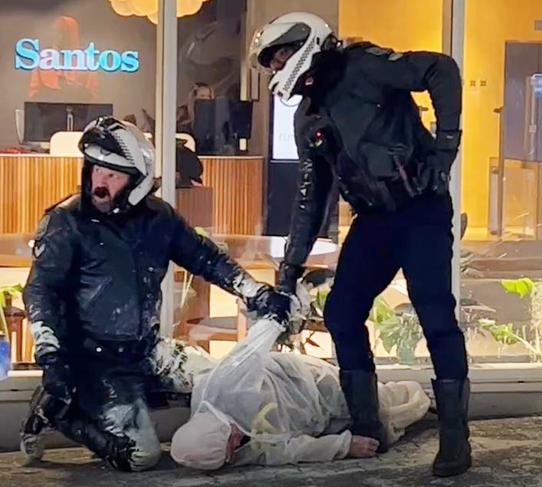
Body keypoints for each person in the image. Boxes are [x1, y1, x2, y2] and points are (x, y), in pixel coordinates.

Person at [248, 12, 470, 477]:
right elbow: (312, 200)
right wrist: (287, 273)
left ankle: (455, 436)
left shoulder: (363, 64)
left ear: (305, 43)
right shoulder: (308, 117)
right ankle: (366, 427)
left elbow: (440, 69)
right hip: (373, 220)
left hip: (422, 209)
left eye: (281, 55)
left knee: (435, 312)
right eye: (271, 61)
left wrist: (446, 149)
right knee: (342, 313)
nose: (277, 67)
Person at [19, 117, 293, 472]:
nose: (98, 182)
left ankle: (113, 400)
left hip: (147, 349)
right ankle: (59, 412)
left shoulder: (159, 218)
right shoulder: (66, 221)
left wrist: (256, 293)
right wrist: (51, 355)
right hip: (94, 361)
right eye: (94, 170)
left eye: (111, 175)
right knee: (140, 456)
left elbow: (205, 257)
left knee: (225, 385)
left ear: (137, 181)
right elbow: (41, 290)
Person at [170, 348, 430, 470]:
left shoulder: (221, 388)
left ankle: (426, 395)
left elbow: (253, 353)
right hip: (310, 420)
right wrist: (344, 445)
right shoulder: (226, 443)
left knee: (383, 406)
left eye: (230, 439)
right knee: (378, 430)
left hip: (309, 383)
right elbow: (279, 450)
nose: (238, 442)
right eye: (229, 452)